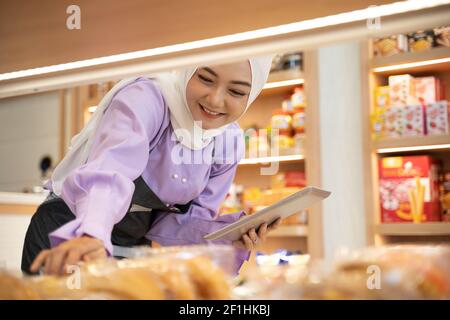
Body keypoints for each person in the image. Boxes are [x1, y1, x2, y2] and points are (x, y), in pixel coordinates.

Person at [22, 56, 281, 276]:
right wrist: (92, 234)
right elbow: (110, 173)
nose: (214, 100)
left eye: (236, 92)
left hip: (133, 245)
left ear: (252, 94)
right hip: (75, 231)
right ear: (188, 68)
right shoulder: (148, 98)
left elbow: (177, 225)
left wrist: (227, 235)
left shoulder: (228, 141)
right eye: (205, 78)